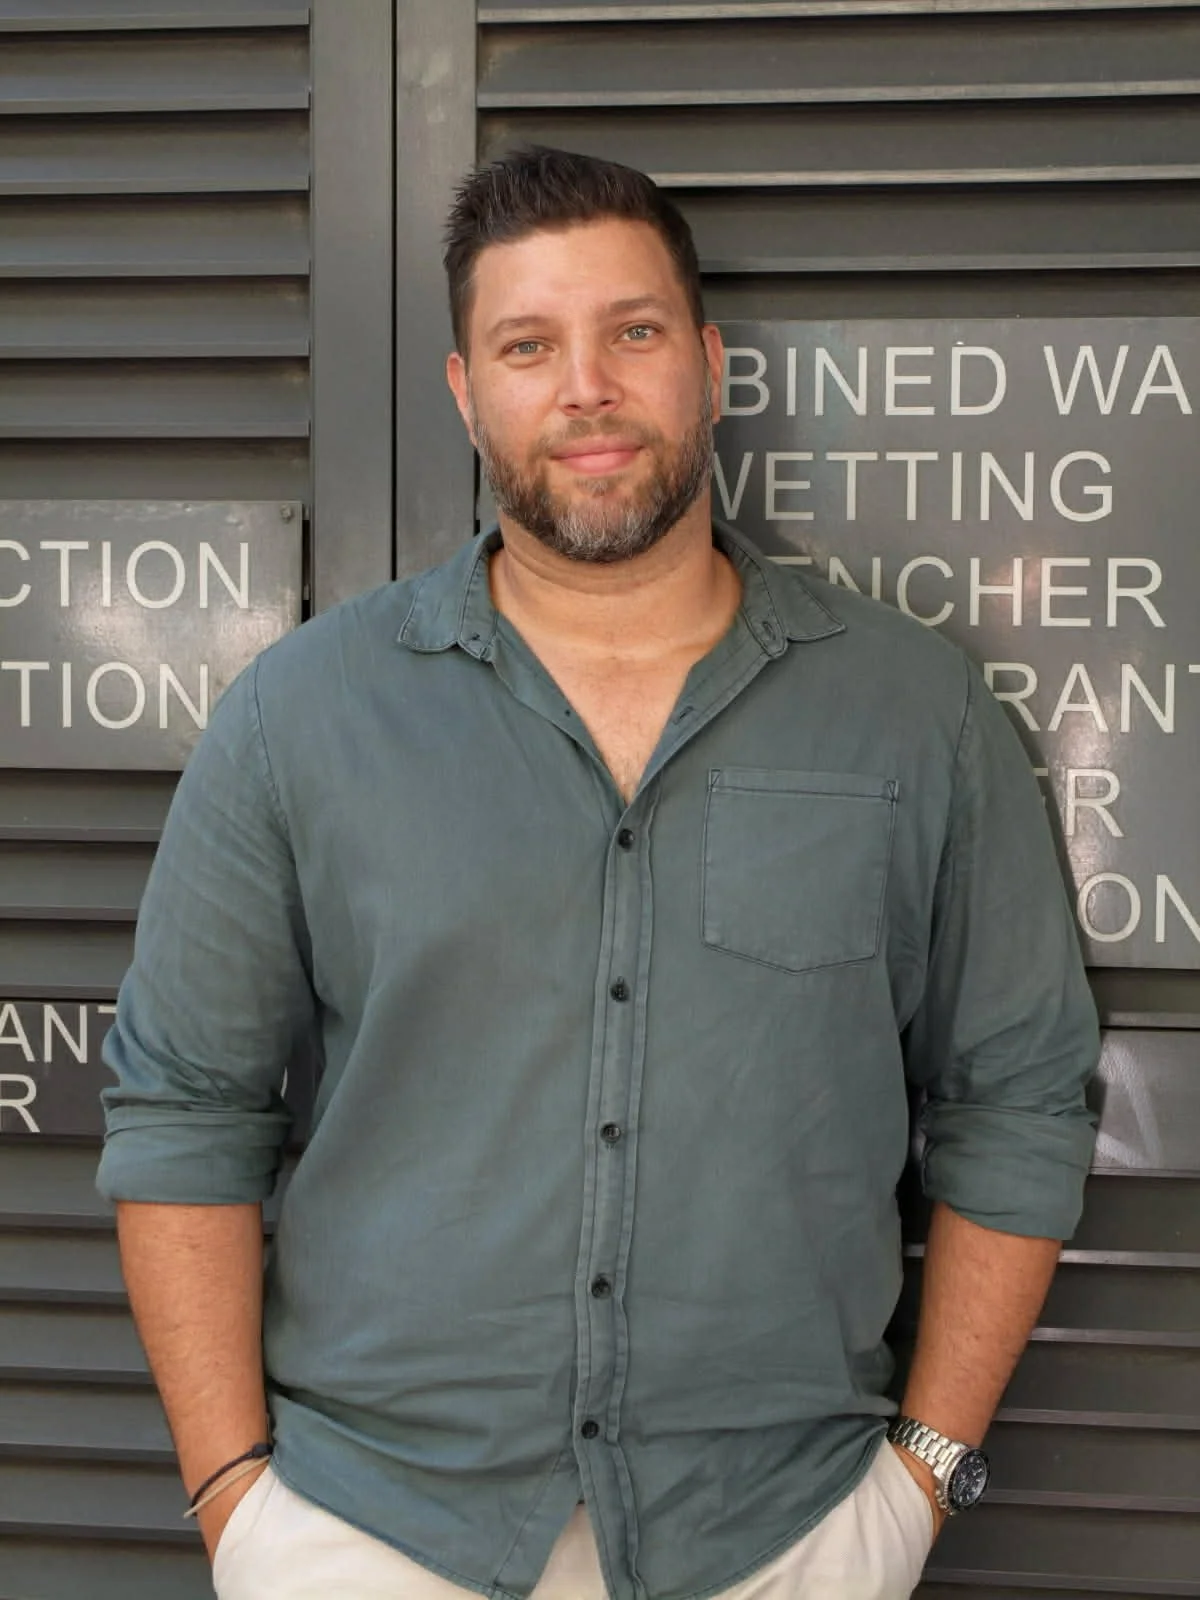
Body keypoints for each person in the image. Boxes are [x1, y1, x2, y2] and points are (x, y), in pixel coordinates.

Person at [97, 146, 1100, 1600]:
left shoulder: (914, 708)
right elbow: (184, 1104)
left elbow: (1016, 1095)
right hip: (368, 1535)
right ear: (464, 389)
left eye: (630, 332)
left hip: (787, 1535)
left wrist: (917, 1484)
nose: (586, 389)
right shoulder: (299, 715)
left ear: (705, 361)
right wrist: (237, 1507)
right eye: (529, 345)